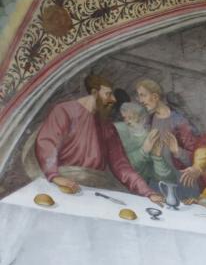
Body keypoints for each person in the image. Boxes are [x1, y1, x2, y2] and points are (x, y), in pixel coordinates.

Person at [35, 74, 162, 203]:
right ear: (95, 93)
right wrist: (54, 176)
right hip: (63, 183)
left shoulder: (107, 126)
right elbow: (46, 143)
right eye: (108, 94)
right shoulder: (64, 111)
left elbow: (121, 165)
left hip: (95, 186)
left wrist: (147, 192)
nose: (113, 99)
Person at [135, 78, 198, 180]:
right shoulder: (148, 121)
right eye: (139, 96)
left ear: (155, 96)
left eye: (143, 95)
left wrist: (177, 151)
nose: (140, 101)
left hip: (181, 179)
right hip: (157, 178)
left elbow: (197, 159)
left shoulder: (180, 121)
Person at [114, 102, 175, 186]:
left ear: (143, 119)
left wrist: (157, 158)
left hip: (136, 186)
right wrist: (143, 150)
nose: (127, 121)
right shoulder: (118, 130)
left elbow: (168, 179)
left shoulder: (151, 138)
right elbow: (119, 163)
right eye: (124, 118)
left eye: (131, 117)